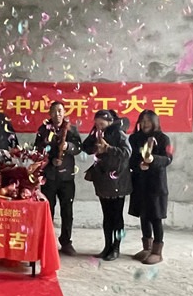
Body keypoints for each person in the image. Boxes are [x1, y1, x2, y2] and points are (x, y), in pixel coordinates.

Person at [34, 101, 82, 256]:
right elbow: (37, 150)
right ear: (49, 114)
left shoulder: (71, 129)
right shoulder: (43, 129)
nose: (58, 114)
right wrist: (50, 159)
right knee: (48, 211)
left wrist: (68, 146)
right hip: (49, 177)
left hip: (67, 177)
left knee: (67, 211)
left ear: (64, 112)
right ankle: (47, 242)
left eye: (60, 111)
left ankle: (66, 242)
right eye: (54, 111)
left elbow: (78, 148)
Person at [82, 109, 131, 261]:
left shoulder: (119, 134)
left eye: (102, 124)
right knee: (107, 216)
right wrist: (93, 136)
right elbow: (86, 148)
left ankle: (116, 248)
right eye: (96, 124)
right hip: (103, 181)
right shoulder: (97, 134)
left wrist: (108, 148)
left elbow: (127, 152)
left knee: (116, 217)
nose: (99, 127)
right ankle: (107, 246)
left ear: (110, 122)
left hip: (117, 181)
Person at [128, 110, 173, 265]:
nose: (145, 124)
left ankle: (157, 252)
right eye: (142, 120)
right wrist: (138, 165)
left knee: (155, 217)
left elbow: (168, 159)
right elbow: (130, 159)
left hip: (156, 184)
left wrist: (153, 160)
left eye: (148, 121)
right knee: (143, 215)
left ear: (155, 122)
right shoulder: (134, 138)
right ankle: (146, 248)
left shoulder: (163, 138)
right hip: (140, 183)